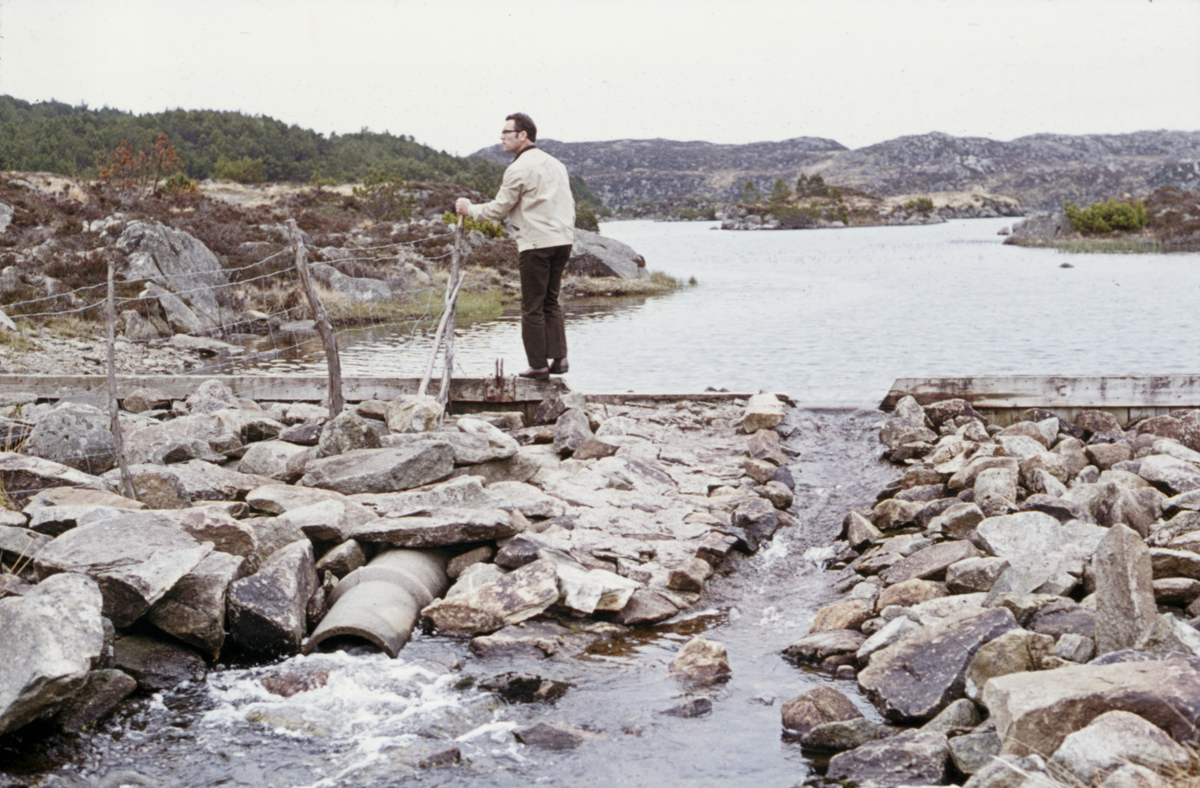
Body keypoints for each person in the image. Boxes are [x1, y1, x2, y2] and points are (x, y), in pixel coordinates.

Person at [456, 113, 575, 380]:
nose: (502, 136)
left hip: (536, 244)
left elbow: (499, 209)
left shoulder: (518, 168)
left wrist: (469, 209)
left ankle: (538, 365)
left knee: (532, 305)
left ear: (523, 135)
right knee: (551, 301)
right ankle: (559, 360)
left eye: (507, 131)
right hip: (563, 241)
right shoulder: (556, 164)